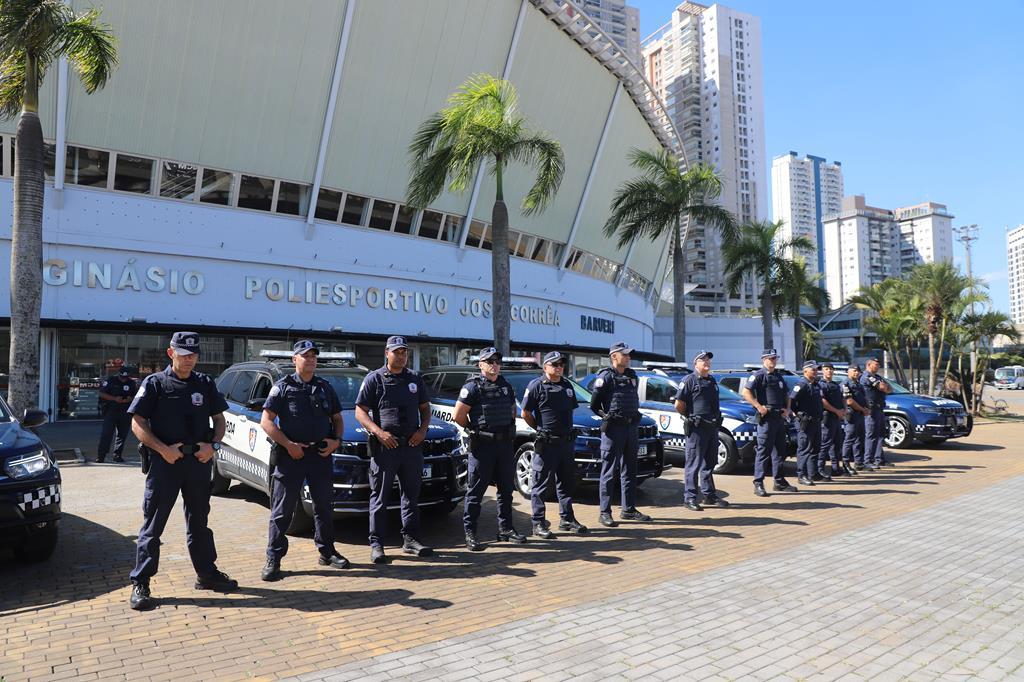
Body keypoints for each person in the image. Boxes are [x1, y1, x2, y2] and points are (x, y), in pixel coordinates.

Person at [127, 332, 237, 611]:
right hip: (166, 464)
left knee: (199, 522)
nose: (189, 360)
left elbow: (219, 419)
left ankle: (206, 574)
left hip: (198, 464)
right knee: (153, 525)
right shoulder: (155, 384)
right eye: (184, 354)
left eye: (193, 355)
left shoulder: (204, 383)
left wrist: (213, 445)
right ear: (171, 353)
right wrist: (163, 449)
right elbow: (137, 423)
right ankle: (141, 582)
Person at [260, 340, 350, 581]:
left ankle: (327, 552)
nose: (310, 359)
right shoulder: (283, 387)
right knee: (282, 510)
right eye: (305, 355)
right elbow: (266, 421)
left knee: (324, 507)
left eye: (313, 356)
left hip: (320, 456)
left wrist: (336, 441)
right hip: (291, 457)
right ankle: (274, 558)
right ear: (294, 359)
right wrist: (289, 445)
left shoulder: (324, 387)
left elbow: (338, 418)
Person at [355, 336, 433, 564]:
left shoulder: (414, 379)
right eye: (397, 352)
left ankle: (410, 540)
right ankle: (377, 544)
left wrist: (422, 431)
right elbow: (360, 412)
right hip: (385, 448)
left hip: (411, 446)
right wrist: (379, 433)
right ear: (387, 353)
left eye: (404, 352)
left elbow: (425, 409)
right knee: (379, 497)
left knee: (411, 496)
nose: (401, 356)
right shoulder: (374, 379)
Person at [453, 347, 527, 551]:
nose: (494, 364)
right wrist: (473, 430)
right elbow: (458, 415)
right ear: (481, 365)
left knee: (506, 490)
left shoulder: (505, 385)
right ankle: (471, 533)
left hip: (503, 446)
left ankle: (505, 530)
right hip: (482, 447)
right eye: (490, 361)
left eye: (497, 361)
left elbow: (512, 411)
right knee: (476, 492)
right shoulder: (472, 387)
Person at [521, 351, 588, 539]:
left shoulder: (567, 386)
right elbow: (525, 413)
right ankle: (538, 523)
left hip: (566, 443)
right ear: (545, 367)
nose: (559, 367)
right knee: (540, 484)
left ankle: (567, 519)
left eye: (561, 364)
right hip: (547, 443)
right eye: (554, 364)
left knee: (566, 483)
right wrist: (540, 429)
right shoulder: (536, 386)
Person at [589, 341, 651, 527]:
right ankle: (605, 512)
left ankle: (628, 509)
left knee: (630, 470)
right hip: (614, 429)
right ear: (614, 356)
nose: (628, 357)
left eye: (629, 355)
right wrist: (606, 417)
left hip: (631, 429)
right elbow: (594, 405)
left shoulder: (632, 376)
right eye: (625, 354)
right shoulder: (605, 377)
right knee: (609, 471)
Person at [673, 350, 729, 510]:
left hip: (712, 428)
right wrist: (689, 417)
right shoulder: (689, 380)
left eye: (708, 360)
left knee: (709, 463)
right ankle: (689, 498)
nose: (707, 362)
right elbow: (679, 404)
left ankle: (709, 495)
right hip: (697, 429)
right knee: (693, 464)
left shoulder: (711, 381)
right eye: (703, 359)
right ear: (695, 363)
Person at [741, 349, 796, 497]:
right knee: (763, 452)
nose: (773, 361)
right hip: (766, 419)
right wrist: (759, 407)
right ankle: (758, 483)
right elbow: (746, 393)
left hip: (779, 418)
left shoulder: (778, 376)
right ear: (763, 360)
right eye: (770, 358)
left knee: (779, 452)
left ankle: (779, 481)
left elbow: (787, 394)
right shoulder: (758, 375)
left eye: (774, 358)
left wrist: (788, 409)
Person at [791, 360, 824, 487]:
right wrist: (797, 414)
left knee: (815, 449)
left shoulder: (816, 384)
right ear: (805, 371)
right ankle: (801, 475)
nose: (816, 371)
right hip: (806, 422)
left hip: (816, 422)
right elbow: (792, 400)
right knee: (804, 449)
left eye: (816, 369)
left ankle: (813, 473)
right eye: (813, 369)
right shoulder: (801, 384)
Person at [96, 365, 138, 463]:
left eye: (125, 378)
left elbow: (136, 396)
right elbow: (101, 393)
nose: (123, 380)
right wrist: (114, 398)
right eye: (122, 377)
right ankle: (101, 456)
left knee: (122, 435)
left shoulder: (132, 383)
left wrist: (130, 399)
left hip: (125, 411)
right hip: (111, 411)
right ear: (118, 375)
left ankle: (117, 455)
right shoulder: (111, 380)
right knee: (107, 433)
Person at [861, 357, 892, 469]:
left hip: (879, 409)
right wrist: (884, 387)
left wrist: (885, 387)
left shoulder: (877, 377)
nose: (878, 366)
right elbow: (883, 387)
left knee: (880, 435)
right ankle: (867, 460)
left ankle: (879, 459)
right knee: (871, 435)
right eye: (876, 364)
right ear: (869, 364)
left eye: (878, 364)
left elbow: (889, 389)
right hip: (870, 410)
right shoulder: (866, 376)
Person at [818, 363, 846, 479]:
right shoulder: (821, 385)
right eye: (826, 369)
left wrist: (843, 411)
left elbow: (843, 398)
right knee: (825, 444)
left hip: (837, 418)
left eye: (831, 369)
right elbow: (822, 401)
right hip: (827, 417)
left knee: (837, 444)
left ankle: (835, 468)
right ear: (823, 371)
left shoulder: (836, 385)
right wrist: (836, 411)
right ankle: (820, 469)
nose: (829, 371)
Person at [841, 365, 867, 474]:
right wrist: (862, 409)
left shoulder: (858, 384)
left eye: (858, 371)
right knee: (849, 439)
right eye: (854, 371)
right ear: (848, 372)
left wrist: (866, 408)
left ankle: (859, 462)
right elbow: (849, 401)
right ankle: (845, 464)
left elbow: (863, 398)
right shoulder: (845, 384)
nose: (856, 373)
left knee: (859, 439)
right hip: (851, 415)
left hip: (860, 414)